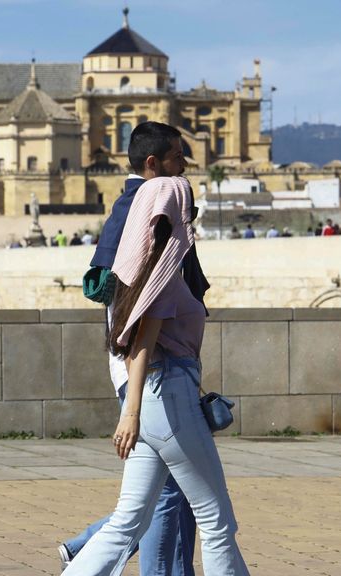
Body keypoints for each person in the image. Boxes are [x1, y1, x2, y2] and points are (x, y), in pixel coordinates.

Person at [63, 174, 249, 575]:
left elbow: (132, 346)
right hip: (170, 400)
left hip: (152, 405)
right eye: (190, 213)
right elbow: (142, 343)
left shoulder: (139, 273)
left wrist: (134, 411)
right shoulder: (164, 276)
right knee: (217, 521)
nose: (193, 222)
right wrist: (130, 414)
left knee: (126, 523)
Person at [62, 122, 203, 575]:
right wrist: (133, 404)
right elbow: (144, 306)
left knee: (161, 494)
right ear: (152, 164)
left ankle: (83, 547)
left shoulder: (135, 205)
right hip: (150, 370)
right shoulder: (144, 208)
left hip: (147, 370)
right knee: (174, 497)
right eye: (178, 158)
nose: (184, 168)